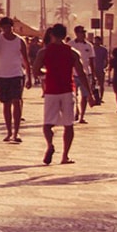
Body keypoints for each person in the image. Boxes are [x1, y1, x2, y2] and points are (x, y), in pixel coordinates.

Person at [33, 22, 95, 165]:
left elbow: (35, 71)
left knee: (47, 124)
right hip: (67, 90)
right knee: (69, 125)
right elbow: (82, 74)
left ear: (51, 34)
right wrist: (90, 94)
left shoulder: (44, 52)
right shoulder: (72, 52)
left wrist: (47, 72)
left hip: (51, 91)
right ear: (65, 35)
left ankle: (50, 145)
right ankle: (65, 156)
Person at [0, 16, 32, 142]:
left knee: (17, 101)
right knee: (6, 104)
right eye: (4, 27)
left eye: (8, 27)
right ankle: (9, 131)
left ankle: (16, 132)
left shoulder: (20, 41)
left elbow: (26, 60)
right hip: (1, 75)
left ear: (12, 27)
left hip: (16, 74)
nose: (6, 29)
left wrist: (29, 77)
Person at [70, 25, 96, 123]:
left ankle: (82, 116)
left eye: (84, 32)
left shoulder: (89, 46)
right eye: (81, 32)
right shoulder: (70, 44)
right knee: (73, 95)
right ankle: (76, 110)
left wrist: (93, 75)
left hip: (85, 73)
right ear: (76, 33)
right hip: (73, 73)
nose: (83, 34)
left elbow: (92, 60)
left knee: (85, 96)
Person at [93, 36, 109, 100]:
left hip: (100, 68)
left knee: (101, 84)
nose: (96, 42)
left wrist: (105, 66)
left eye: (98, 40)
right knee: (92, 84)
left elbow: (106, 59)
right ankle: (94, 96)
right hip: (92, 69)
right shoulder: (92, 48)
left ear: (100, 41)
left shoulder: (104, 50)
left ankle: (101, 97)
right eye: (95, 40)